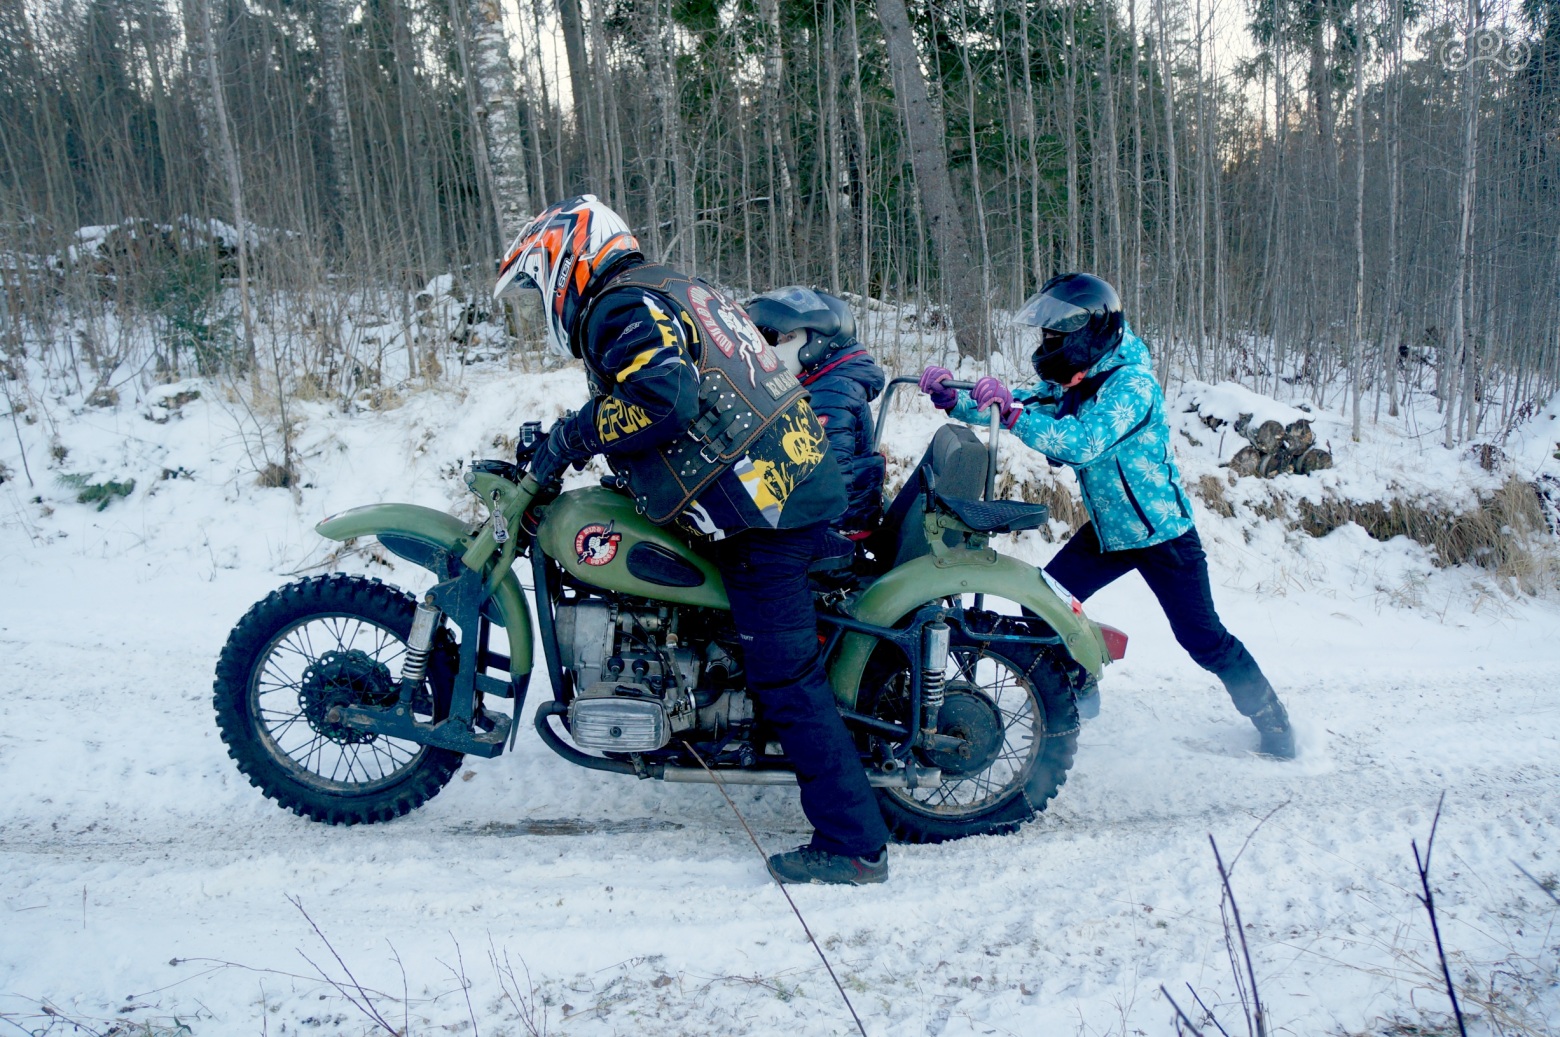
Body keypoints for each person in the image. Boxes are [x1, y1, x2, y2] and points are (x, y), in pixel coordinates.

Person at [494, 195, 892, 884]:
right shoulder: (664, 287)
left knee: (784, 677)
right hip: (780, 483)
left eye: (537, 282)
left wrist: (572, 436)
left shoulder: (618, 306)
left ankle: (854, 844)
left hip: (769, 511)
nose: (541, 299)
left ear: (567, 258)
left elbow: (664, 397)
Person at [919, 272, 1296, 758]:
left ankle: (1273, 721)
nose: (1047, 344)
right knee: (1041, 604)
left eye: (1055, 336)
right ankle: (1079, 689)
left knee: (1203, 639)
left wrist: (1015, 416)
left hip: (1163, 538)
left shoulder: (1131, 386)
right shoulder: (1081, 376)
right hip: (1108, 532)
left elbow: (1084, 443)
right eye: (1046, 336)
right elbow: (1020, 404)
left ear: (1087, 333)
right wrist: (959, 399)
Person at [744, 287, 886, 536]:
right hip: (827, 517)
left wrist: (822, 547)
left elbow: (829, 483)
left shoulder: (834, 394)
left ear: (817, 342)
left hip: (838, 529)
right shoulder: (816, 381)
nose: (772, 348)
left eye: (781, 338)